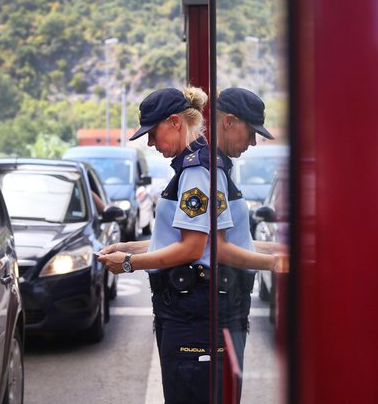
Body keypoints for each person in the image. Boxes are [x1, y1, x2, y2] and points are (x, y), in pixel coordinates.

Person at [97, 86, 288, 403]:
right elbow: (190, 241)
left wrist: (128, 263)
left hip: (194, 314)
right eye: (251, 132)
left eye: (152, 133)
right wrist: (130, 247)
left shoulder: (199, 168)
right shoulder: (201, 167)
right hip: (195, 311)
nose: (151, 143)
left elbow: (194, 249)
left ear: (174, 122)